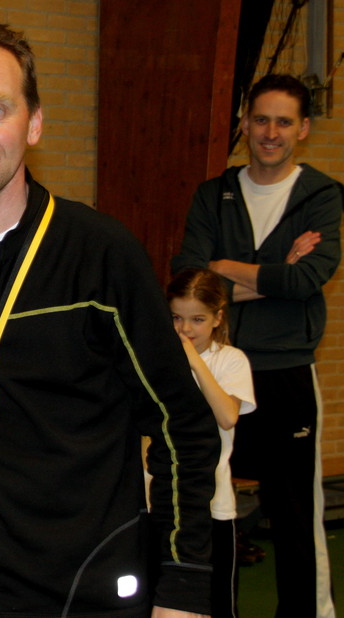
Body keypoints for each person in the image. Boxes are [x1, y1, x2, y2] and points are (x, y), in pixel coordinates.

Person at [0, 20, 219, 618]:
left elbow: (183, 424)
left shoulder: (101, 255)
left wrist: (183, 587)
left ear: (35, 123)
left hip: (84, 590)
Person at [172, 74, 342, 617]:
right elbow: (189, 282)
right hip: (214, 371)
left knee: (295, 513)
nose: (271, 132)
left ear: (303, 128)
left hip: (286, 372)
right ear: (244, 123)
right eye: (261, 119)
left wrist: (224, 270)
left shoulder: (321, 196)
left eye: (284, 122)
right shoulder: (213, 194)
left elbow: (306, 279)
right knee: (207, 503)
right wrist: (274, 274)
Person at [167, 268, 256, 618]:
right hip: (164, 500)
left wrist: (192, 360)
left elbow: (228, 416)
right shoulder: (159, 359)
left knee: (218, 602)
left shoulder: (230, 360)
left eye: (197, 319)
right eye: (176, 318)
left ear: (218, 317)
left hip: (212, 503)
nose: (185, 329)